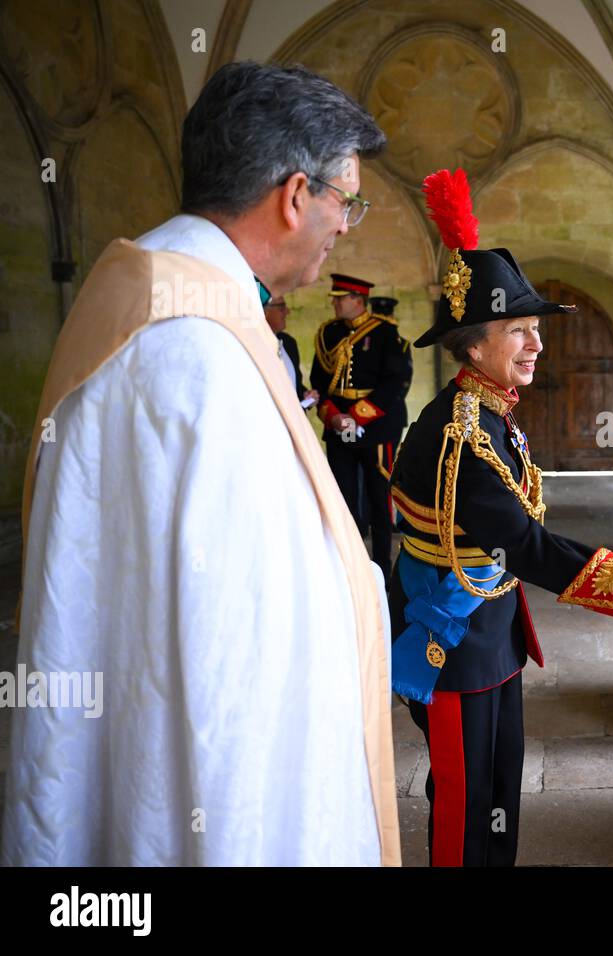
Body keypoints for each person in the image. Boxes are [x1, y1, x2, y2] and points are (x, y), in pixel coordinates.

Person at [3, 61, 400, 865]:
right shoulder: (196, 353)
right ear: (295, 196)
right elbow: (225, 666)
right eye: (346, 201)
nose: (346, 224)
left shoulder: (157, 295)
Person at [389, 168, 613, 866]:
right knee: (466, 812)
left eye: (533, 328)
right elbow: (524, 543)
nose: (536, 344)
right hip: (457, 645)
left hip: (491, 636)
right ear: (471, 343)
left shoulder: (491, 417)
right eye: (516, 330)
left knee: (497, 800)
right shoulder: (460, 434)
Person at [311, 275, 413, 580]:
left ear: (357, 300)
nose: (334, 303)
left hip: (377, 427)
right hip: (338, 424)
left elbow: (395, 383)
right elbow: (320, 381)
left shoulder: (385, 334)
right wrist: (333, 415)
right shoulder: (328, 333)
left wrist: (357, 415)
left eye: (340, 298)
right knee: (342, 495)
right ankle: (349, 565)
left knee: (379, 496)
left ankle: (383, 564)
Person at [264, 294, 316, 405]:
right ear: (264, 311)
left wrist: (306, 395)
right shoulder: (252, 346)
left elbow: (294, 386)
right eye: (281, 307)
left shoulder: (288, 342)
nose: (287, 312)